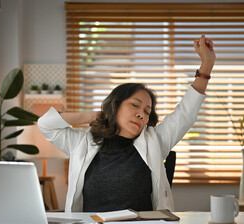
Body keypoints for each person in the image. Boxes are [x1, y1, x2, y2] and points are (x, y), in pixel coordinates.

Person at [38, 35, 215, 212]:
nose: (141, 114)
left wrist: (206, 64)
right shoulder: (82, 144)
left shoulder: (154, 142)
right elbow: (46, 125)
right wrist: (94, 115)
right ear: (115, 105)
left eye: (147, 111)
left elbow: (185, 112)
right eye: (135, 105)